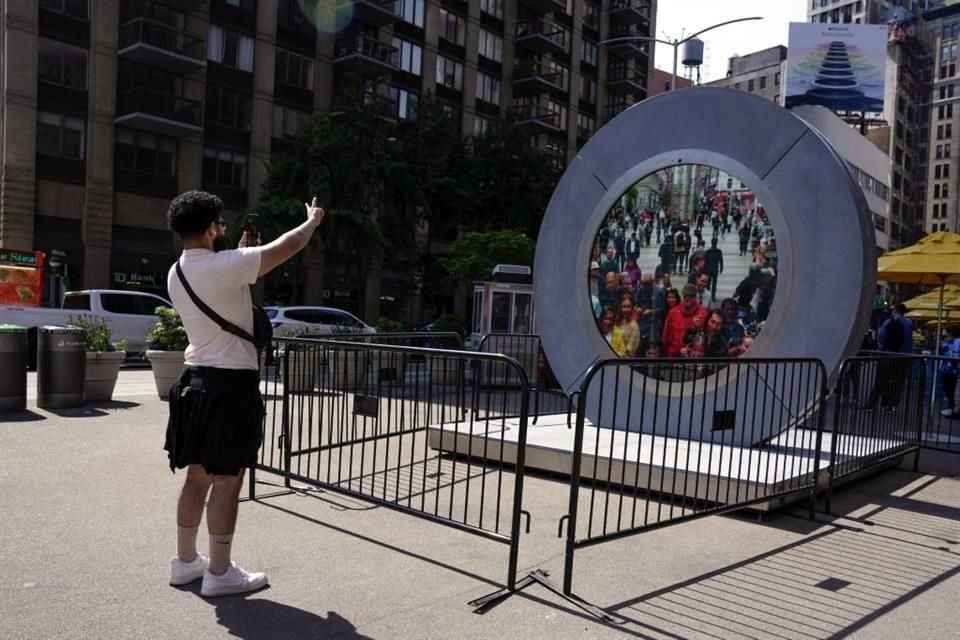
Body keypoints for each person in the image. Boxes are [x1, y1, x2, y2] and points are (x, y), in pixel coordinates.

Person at [164, 190, 326, 596]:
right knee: (227, 481)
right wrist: (312, 221)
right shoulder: (224, 266)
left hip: (194, 382)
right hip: (229, 386)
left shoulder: (177, 271)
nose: (223, 229)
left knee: (196, 475)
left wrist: (236, 255)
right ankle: (220, 573)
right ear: (207, 228)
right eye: (219, 223)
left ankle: (185, 562)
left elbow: (223, 284)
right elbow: (288, 246)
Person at [863, 303, 913, 411]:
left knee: (881, 380)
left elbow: (882, 336)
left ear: (895, 310)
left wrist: (880, 347)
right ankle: (891, 404)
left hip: (888, 355)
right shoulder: (909, 323)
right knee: (898, 381)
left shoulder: (889, 322)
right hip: (905, 356)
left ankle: (871, 404)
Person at [662, 283, 707, 358]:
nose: (687, 298)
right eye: (685, 296)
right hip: (673, 355)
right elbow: (666, 334)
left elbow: (705, 338)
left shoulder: (703, 314)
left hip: (692, 357)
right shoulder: (673, 311)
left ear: (695, 297)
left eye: (690, 296)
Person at [939, 325, 960, 417]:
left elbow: (954, 355)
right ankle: (951, 408)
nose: (944, 337)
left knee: (951, 391)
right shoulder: (949, 341)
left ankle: (953, 409)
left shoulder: (957, 342)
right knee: (947, 390)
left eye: (945, 335)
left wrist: (945, 347)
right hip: (946, 370)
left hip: (952, 370)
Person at [612, 293, 641, 357]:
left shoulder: (634, 326)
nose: (626, 310)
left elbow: (629, 351)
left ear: (632, 307)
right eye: (624, 307)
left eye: (628, 307)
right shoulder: (617, 321)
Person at [704, 237, 724, 303]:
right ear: (716, 243)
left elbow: (705, 261)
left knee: (708, 283)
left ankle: (708, 295)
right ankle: (713, 296)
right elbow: (721, 260)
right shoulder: (719, 251)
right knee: (714, 283)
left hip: (708, 269)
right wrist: (721, 268)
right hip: (715, 269)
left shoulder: (708, 251)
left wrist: (704, 269)